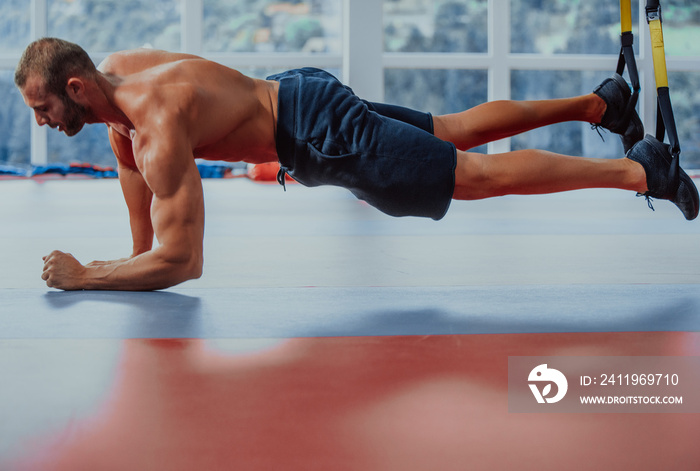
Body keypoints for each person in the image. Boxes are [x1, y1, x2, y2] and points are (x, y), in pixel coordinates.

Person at [15, 38, 699, 291]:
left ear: (76, 89)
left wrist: (86, 275)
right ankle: (599, 105)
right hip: (298, 89)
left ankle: (643, 171)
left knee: (476, 178)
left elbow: (180, 260)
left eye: (43, 108)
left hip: (315, 131)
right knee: (451, 130)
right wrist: (119, 269)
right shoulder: (122, 86)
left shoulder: (155, 126)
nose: (42, 123)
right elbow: (146, 247)